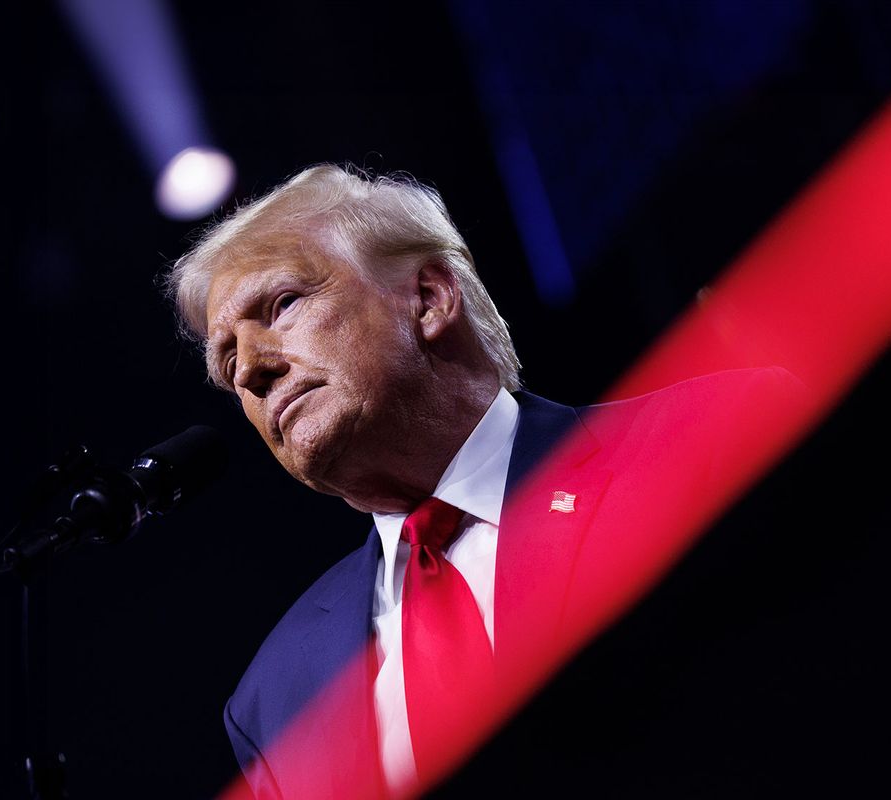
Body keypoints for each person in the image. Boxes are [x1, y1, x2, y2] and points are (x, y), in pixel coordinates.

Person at [167, 164, 803, 798]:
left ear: (429, 299)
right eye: (227, 364)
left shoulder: (713, 439)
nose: (250, 368)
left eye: (282, 304)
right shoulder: (273, 699)